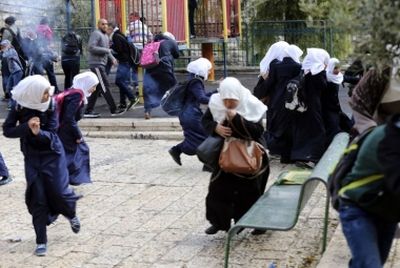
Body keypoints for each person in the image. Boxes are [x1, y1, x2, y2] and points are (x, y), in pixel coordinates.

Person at [2, 75, 81, 256]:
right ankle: (41, 241)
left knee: (59, 192)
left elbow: (53, 133)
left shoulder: (51, 105)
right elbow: (7, 130)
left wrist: (38, 133)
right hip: (32, 157)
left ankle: (71, 213)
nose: (47, 95)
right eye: (44, 93)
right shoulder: (19, 105)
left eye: (47, 92)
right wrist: (26, 128)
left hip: (53, 154)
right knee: (38, 197)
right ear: (33, 93)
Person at [201, 77, 269, 235]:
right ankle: (219, 222)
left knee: (250, 192)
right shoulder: (215, 103)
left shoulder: (251, 104)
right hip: (225, 156)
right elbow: (205, 122)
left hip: (250, 155)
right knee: (218, 190)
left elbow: (258, 132)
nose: (228, 104)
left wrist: (236, 119)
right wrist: (216, 127)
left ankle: (256, 223)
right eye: (225, 100)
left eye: (232, 100)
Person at [338, 114, 400, 267]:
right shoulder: (389, 139)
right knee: (370, 264)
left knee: (370, 262)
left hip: (386, 210)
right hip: (357, 207)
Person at [260, 44, 303, 164]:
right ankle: (287, 156)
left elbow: (270, 83)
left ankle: (273, 150)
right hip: (289, 101)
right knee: (288, 128)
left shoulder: (275, 66)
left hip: (275, 100)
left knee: (276, 126)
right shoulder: (297, 66)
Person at [168, 58, 214, 167]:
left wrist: (216, 92)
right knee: (205, 137)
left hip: (187, 114)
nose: (209, 72)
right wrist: (217, 99)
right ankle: (208, 164)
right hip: (191, 115)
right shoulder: (196, 82)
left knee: (195, 138)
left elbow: (200, 96)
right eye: (208, 69)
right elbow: (202, 99)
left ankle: (177, 150)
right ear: (201, 70)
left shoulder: (192, 80)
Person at [290, 48, 329, 168]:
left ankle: (300, 156)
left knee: (303, 129)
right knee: (317, 130)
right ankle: (313, 157)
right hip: (314, 104)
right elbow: (323, 86)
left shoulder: (304, 69)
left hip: (302, 104)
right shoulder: (318, 71)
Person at [58, 72, 98, 185]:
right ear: (86, 84)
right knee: (76, 152)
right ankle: (70, 177)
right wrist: (77, 135)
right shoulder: (77, 95)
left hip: (64, 128)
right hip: (66, 129)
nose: (94, 89)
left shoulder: (73, 91)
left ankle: (71, 177)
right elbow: (69, 118)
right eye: (93, 86)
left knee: (71, 153)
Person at [84, 19, 125, 118]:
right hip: (96, 64)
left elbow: (107, 51)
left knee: (98, 88)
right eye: (102, 24)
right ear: (98, 25)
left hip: (101, 64)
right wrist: (107, 50)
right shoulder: (96, 34)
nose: (105, 26)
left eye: (106, 24)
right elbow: (91, 47)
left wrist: (113, 59)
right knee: (105, 86)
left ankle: (88, 111)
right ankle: (114, 109)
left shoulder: (106, 36)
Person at [143, 32, 179, 119]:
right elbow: (177, 55)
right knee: (174, 88)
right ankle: (178, 109)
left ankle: (147, 111)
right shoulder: (170, 42)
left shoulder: (151, 44)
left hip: (150, 70)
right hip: (165, 69)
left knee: (149, 89)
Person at [109, 23, 139, 111]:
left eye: (108, 29)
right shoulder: (120, 34)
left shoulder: (115, 36)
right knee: (122, 82)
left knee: (118, 81)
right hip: (127, 61)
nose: (106, 31)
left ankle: (132, 98)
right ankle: (123, 103)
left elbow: (119, 49)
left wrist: (111, 48)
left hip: (124, 62)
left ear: (111, 29)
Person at [322, 58, 351, 146]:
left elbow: (349, 78)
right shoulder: (325, 77)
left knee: (349, 125)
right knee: (333, 129)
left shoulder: (339, 77)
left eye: (338, 68)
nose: (338, 70)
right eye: (335, 68)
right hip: (328, 108)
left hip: (337, 108)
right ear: (330, 67)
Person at [35, 17, 59, 93]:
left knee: (39, 75)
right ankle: (55, 90)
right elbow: (49, 43)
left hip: (38, 55)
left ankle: (39, 91)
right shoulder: (47, 29)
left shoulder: (36, 28)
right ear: (47, 23)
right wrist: (52, 51)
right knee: (51, 74)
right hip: (46, 55)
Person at [0, 40, 24, 110]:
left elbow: (6, 55)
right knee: (9, 88)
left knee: (15, 88)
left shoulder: (12, 51)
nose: (2, 47)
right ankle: (12, 103)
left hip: (17, 72)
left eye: (3, 46)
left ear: (7, 45)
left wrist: (2, 50)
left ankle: (15, 104)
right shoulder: (7, 51)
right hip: (13, 72)